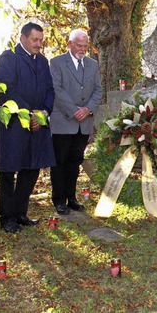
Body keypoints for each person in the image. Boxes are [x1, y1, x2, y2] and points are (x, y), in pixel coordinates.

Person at [0, 22, 56, 233]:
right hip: (14, 124)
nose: (38, 44)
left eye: (41, 40)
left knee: (31, 168)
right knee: (9, 170)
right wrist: (29, 113)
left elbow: (50, 90)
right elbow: (7, 90)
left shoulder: (42, 61)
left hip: (37, 124)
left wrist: (43, 114)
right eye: (34, 40)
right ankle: (7, 217)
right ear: (22, 38)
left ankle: (21, 213)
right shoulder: (8, 58)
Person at [49, 29, 103, 215]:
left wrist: (87, 109)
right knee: (60, 162)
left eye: (85, 46)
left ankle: (71, 198)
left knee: (75, 162)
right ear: (69, 44)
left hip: (84, 123)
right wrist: (74, 111)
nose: (82, 49)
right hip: (63, 122)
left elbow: (98, 90)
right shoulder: (56, 63)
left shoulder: (92, 64)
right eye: (79, 45)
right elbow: (56, 89)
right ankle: (58, 200)